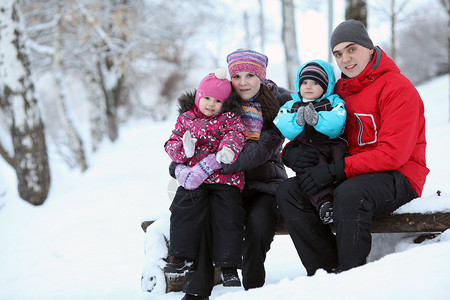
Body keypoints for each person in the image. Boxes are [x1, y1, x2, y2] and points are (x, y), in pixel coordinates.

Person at [276, 19, 429, 276]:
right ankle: (325, 272)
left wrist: (336, 170)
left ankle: (351, 277)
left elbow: (394, 154)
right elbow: (317, 133)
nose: (345, 59)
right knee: (289, 191)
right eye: (338, 53)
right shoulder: (339, 92)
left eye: (351, 49)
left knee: (349, 193)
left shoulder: (398, 88)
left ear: (369, 49)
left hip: (400, 176)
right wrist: (290, 153)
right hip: (349, 172)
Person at [170, 49, 291, 300]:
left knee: (258, 223)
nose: (243, 82)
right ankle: (196, 291)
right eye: (237, 76)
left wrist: (205, 168)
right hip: (225, 186)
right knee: (203, 214)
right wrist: (179, 167)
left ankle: (253, 288)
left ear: (261, 77)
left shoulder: (275, 106)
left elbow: (256, 153)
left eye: (250, 75)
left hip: (263, 184)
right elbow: (187, 144)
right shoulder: (219, 103)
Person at [164, 69, 247, 288]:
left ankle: (229, 266)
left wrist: (227, 150)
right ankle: (181, 256)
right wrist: (183, 150)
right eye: (207, 98)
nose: (211, 104)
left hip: (223, 179)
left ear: (225, 103)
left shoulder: (229, 118)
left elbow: (235, 135)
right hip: (194, 178)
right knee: (183, 207)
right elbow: (171, 142)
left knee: (228, 214)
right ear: (199, 97)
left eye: (218, 101)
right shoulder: (186, 118)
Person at [273, 59, 347, 224]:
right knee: (310, 170)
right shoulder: (293, 105)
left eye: (315, 83)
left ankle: (342, 198)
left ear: (326, 86)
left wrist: (317, 120)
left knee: (340, 168)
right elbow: (282, 122)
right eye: (304, 82)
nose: (308, 86)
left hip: (333, 145)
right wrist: (297, 122)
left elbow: (337, 122)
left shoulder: (333, 102)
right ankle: (325, 203)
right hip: (308, 148)